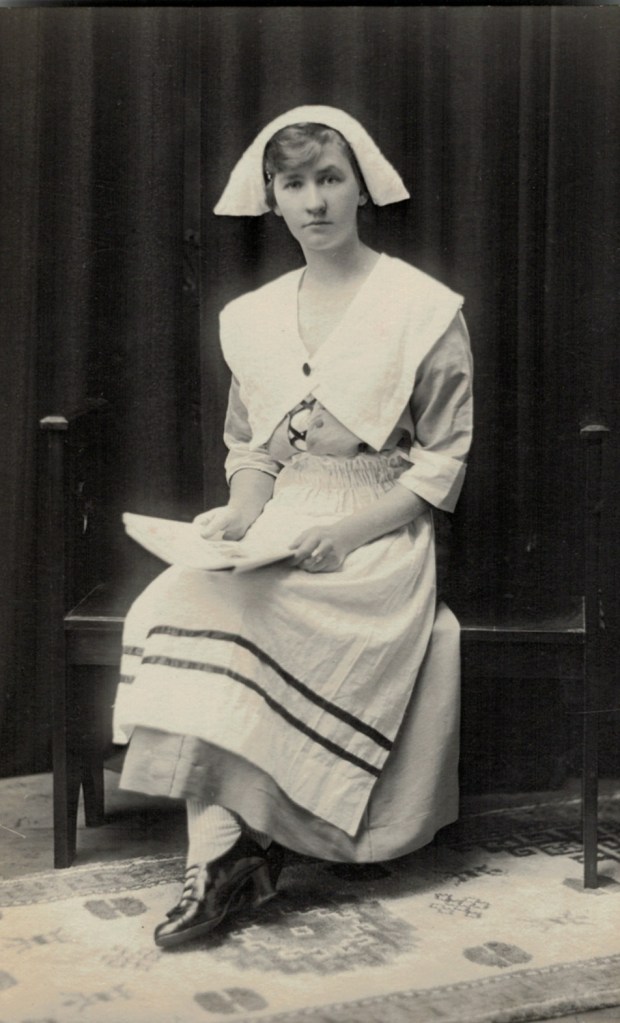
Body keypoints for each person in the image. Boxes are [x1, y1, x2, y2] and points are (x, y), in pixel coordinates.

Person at [112, 105, 474, 950]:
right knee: (172, 602)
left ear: (361, 189)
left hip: (376, 535)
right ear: (271, 197)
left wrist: (348, 534)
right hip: (282, 522)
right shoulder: (253, 315)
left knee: (248, 616)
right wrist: (242, 510)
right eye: (295, 183)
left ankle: (225, 858)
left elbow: (441, 465)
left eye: (330, 179)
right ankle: (229, 848)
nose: (315, 201)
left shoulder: (421, 308)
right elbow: (251, 446)